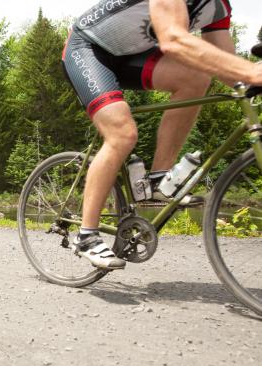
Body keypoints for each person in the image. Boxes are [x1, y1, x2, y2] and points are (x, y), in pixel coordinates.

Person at [61, 0, 262, 270]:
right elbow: (173, 40)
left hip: (131, 54)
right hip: (89, 50)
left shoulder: (218, 7)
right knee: (122, 134)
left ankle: (157, 180)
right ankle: (86, 236)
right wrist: (251, 71)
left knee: (196, 77)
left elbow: (228, 66)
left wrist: (248, 80)